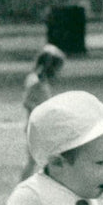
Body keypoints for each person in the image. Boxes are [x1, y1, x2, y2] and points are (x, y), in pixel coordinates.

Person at [20, 44, 66, 179]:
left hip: (43, 126)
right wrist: (40, 111)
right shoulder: (35, 81)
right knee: (33, 161)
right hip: (35, 126)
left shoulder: (42, 81)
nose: (58, 72)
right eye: (57, 68)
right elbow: (26, 102)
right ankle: (21, 189)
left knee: (46, 160)